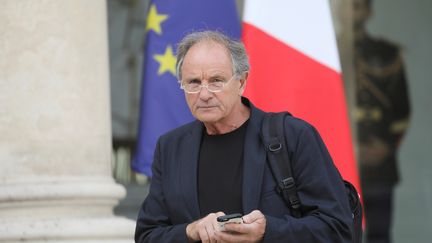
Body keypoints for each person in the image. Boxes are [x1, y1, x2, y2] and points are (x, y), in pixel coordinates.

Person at [135, 31, 353, 242]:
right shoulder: (171, 147)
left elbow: (338, 228)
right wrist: (192, 231)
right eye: (193, 82)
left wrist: (269, 231)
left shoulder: (293, 136)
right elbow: (147, 235)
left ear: (241, 82)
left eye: (216, 80)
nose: (204, 94)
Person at [353, 0, 411, 242]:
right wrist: (352, 149)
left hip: (378, 163)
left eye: (358, 5)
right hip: (333, 160)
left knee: (379, 234)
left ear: (368, 10)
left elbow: (401, 115)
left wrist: (383, 148)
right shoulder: (322, 53)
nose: (353, 12)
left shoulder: (387, 55)